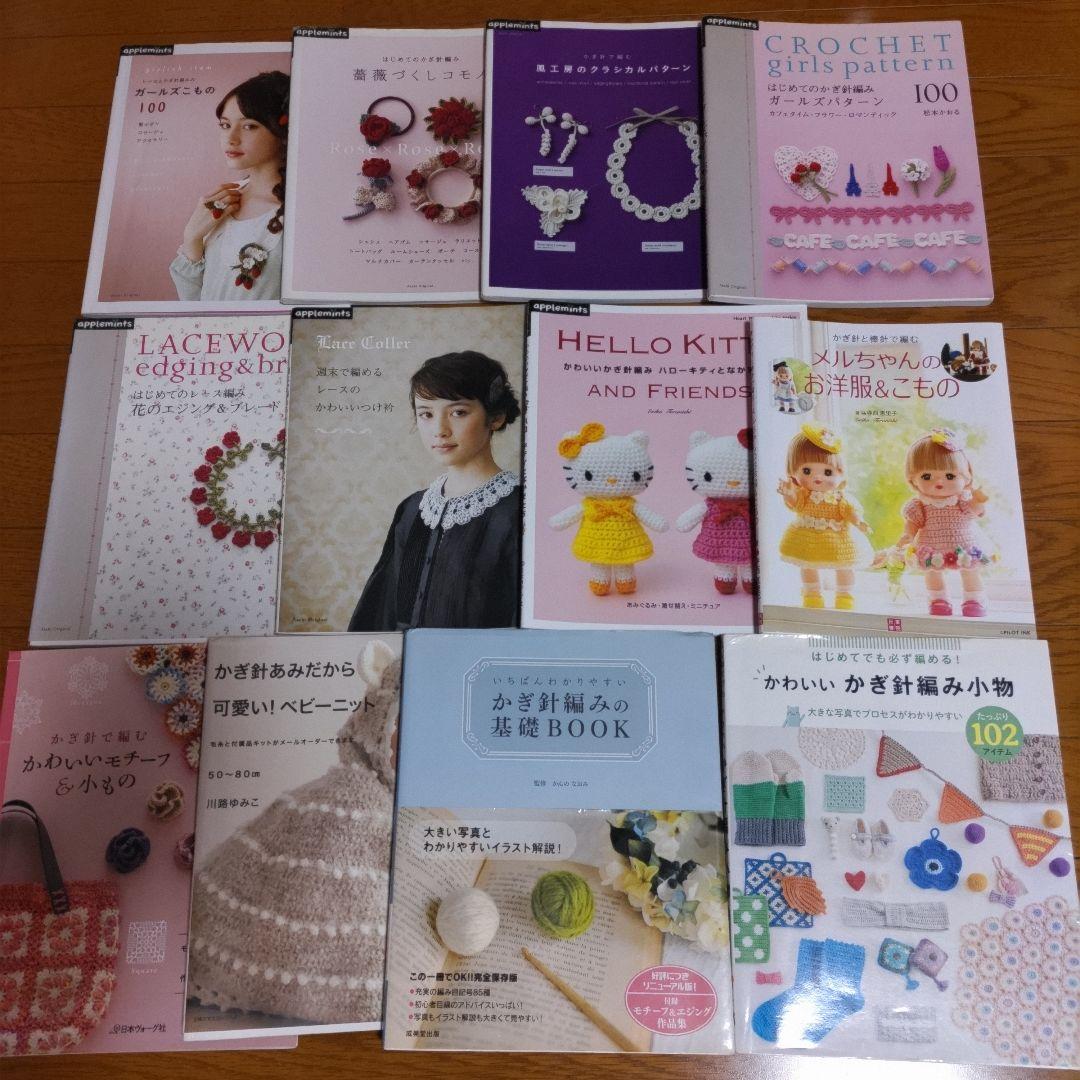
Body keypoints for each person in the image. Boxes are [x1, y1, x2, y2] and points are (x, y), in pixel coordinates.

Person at [347, 352, 521, 630]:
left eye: (458, 412)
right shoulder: (411, 509)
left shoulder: (519, 511)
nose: (439, 430)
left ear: (496, 417)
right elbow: (382, 612)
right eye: (426, 414)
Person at [170, 70, 289, 302]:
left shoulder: (300, 212)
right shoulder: (222, 199)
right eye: (225, 125)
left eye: (249, 126)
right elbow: (191, 305)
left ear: (283, 132)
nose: (231, 138)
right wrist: (192, 238)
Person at [895, 428, 992, 617]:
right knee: (932, 572)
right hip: (932, 546)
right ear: (913, 480)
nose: (939, 482)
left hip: (964, 544)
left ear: (966, 478)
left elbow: (976, 511)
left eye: (950, 476)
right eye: (926, 476)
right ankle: (938, 600)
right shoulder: (919, 505)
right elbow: (913, 523)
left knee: (970, 571)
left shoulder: (962, 499)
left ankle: (974, 600)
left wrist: (979, 499)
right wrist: (907, 536)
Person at [777, 424, 871, 610]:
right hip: (807, 536)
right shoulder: (803, 494)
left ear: (841, 473)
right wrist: (788, 494)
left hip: (838, 538)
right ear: (793, 472)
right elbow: (795, 505)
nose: (818, 478)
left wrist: (858, 522)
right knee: (808, 565)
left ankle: (844, 595)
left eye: (828, 472)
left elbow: (849, 510)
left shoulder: (840, 497)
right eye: (807, 471)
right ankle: (812, 594)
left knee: (844, 565)